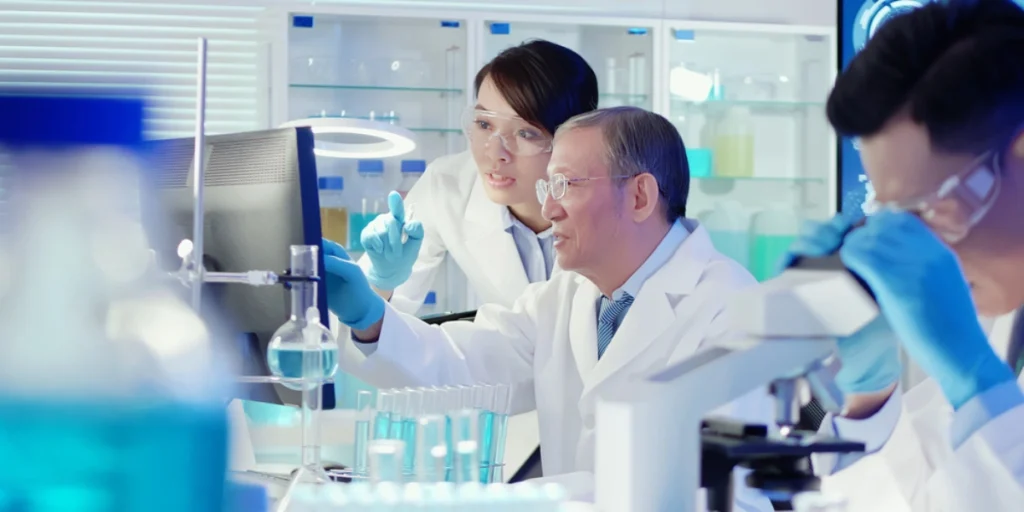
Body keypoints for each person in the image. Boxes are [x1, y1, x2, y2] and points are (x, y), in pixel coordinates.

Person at [324, 106, 774, 509]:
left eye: (565, 185)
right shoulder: (567, 295)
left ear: (639, 196)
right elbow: (461, 366)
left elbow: (719, 495)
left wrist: (514, 500)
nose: (548, 207)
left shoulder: (728, 308)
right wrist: (370, 315)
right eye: (548, 185)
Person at [782, 1, 1024, 509]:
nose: (913, 246)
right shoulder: (997, 323)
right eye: (889, 218)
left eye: (922, 211)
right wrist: (867, 397)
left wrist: (978, 381)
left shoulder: (974, 345)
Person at [355, 39, 599, 315]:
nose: (494, 153)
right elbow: (374, 326)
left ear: (574, 139)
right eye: (484, 124)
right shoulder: (448, 185)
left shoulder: (613, 202)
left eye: (525, 132)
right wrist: (381, 282)